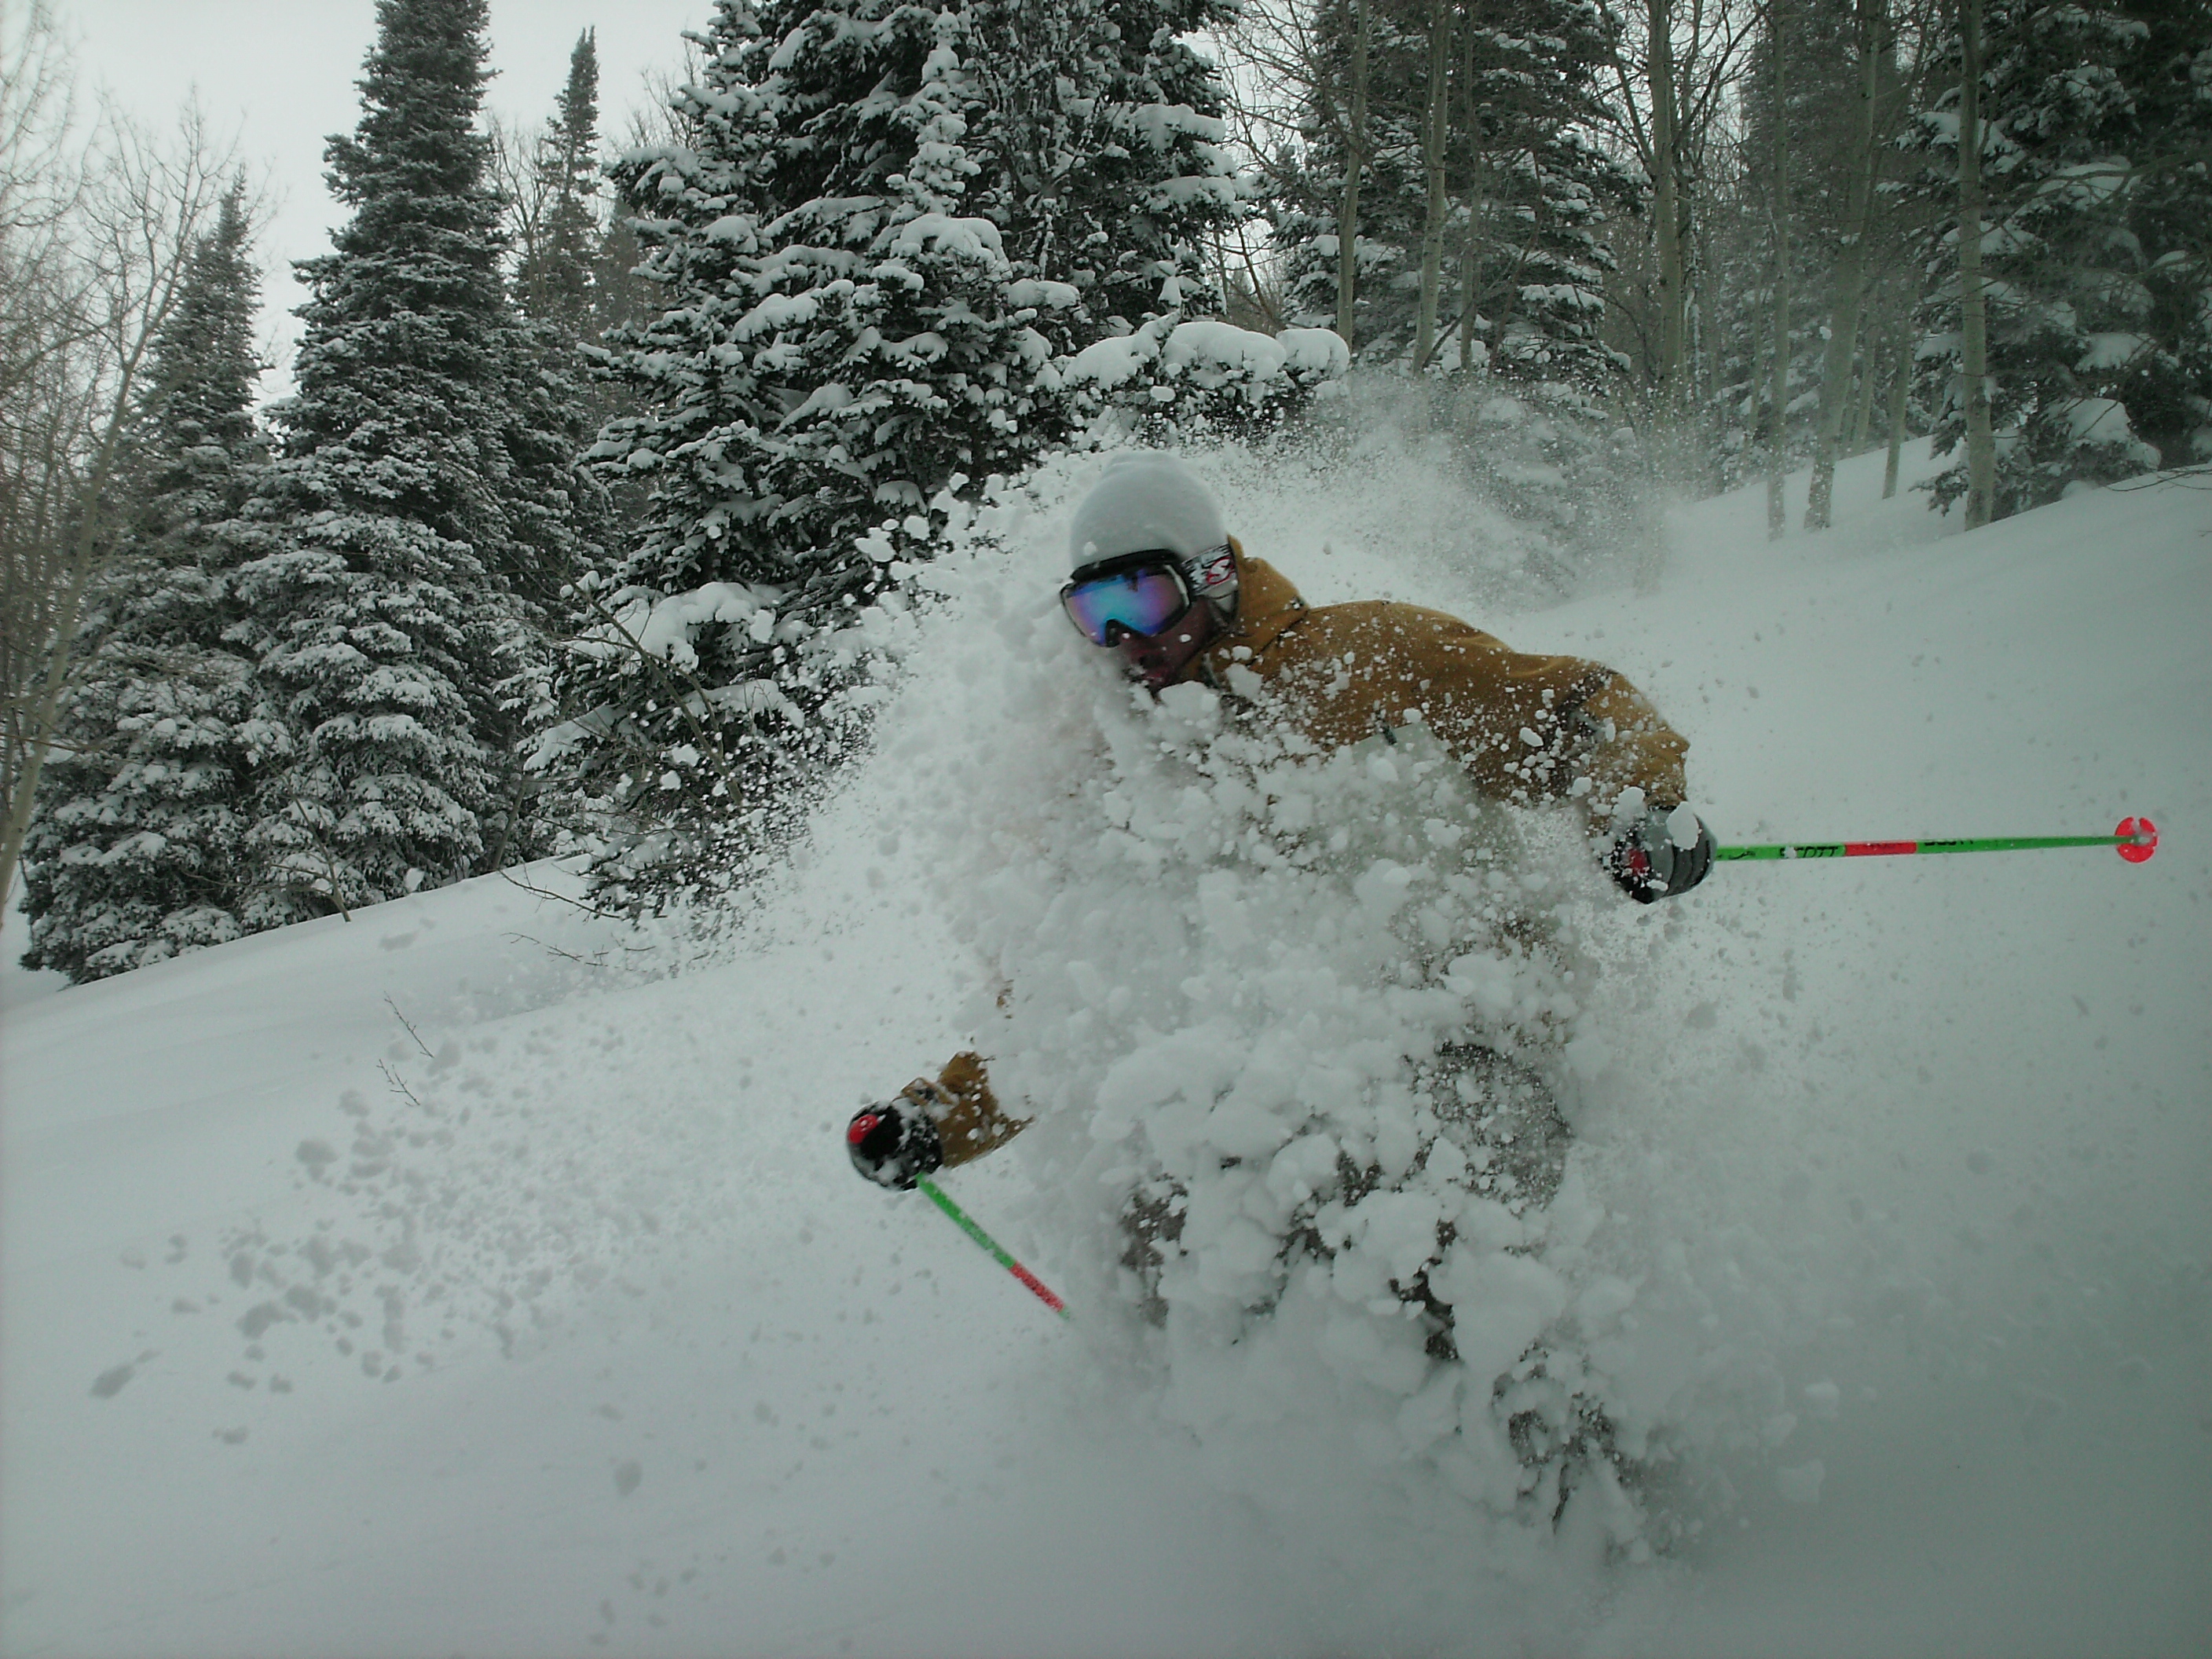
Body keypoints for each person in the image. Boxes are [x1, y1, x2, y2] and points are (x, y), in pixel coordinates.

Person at [845, 453, 1711, 1199]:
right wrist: (937, 1125)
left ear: (1211, 576)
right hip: (1284, 1097)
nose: (1123, 639)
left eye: (1143, 598)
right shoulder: (1114, 769)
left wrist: (1636, 809)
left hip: (1480, 1040)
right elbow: (1079, 1005)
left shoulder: (1369, 658)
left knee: (1442, 1208)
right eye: (1093, 613)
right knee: (1164, 1214)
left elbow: (1573, 709)